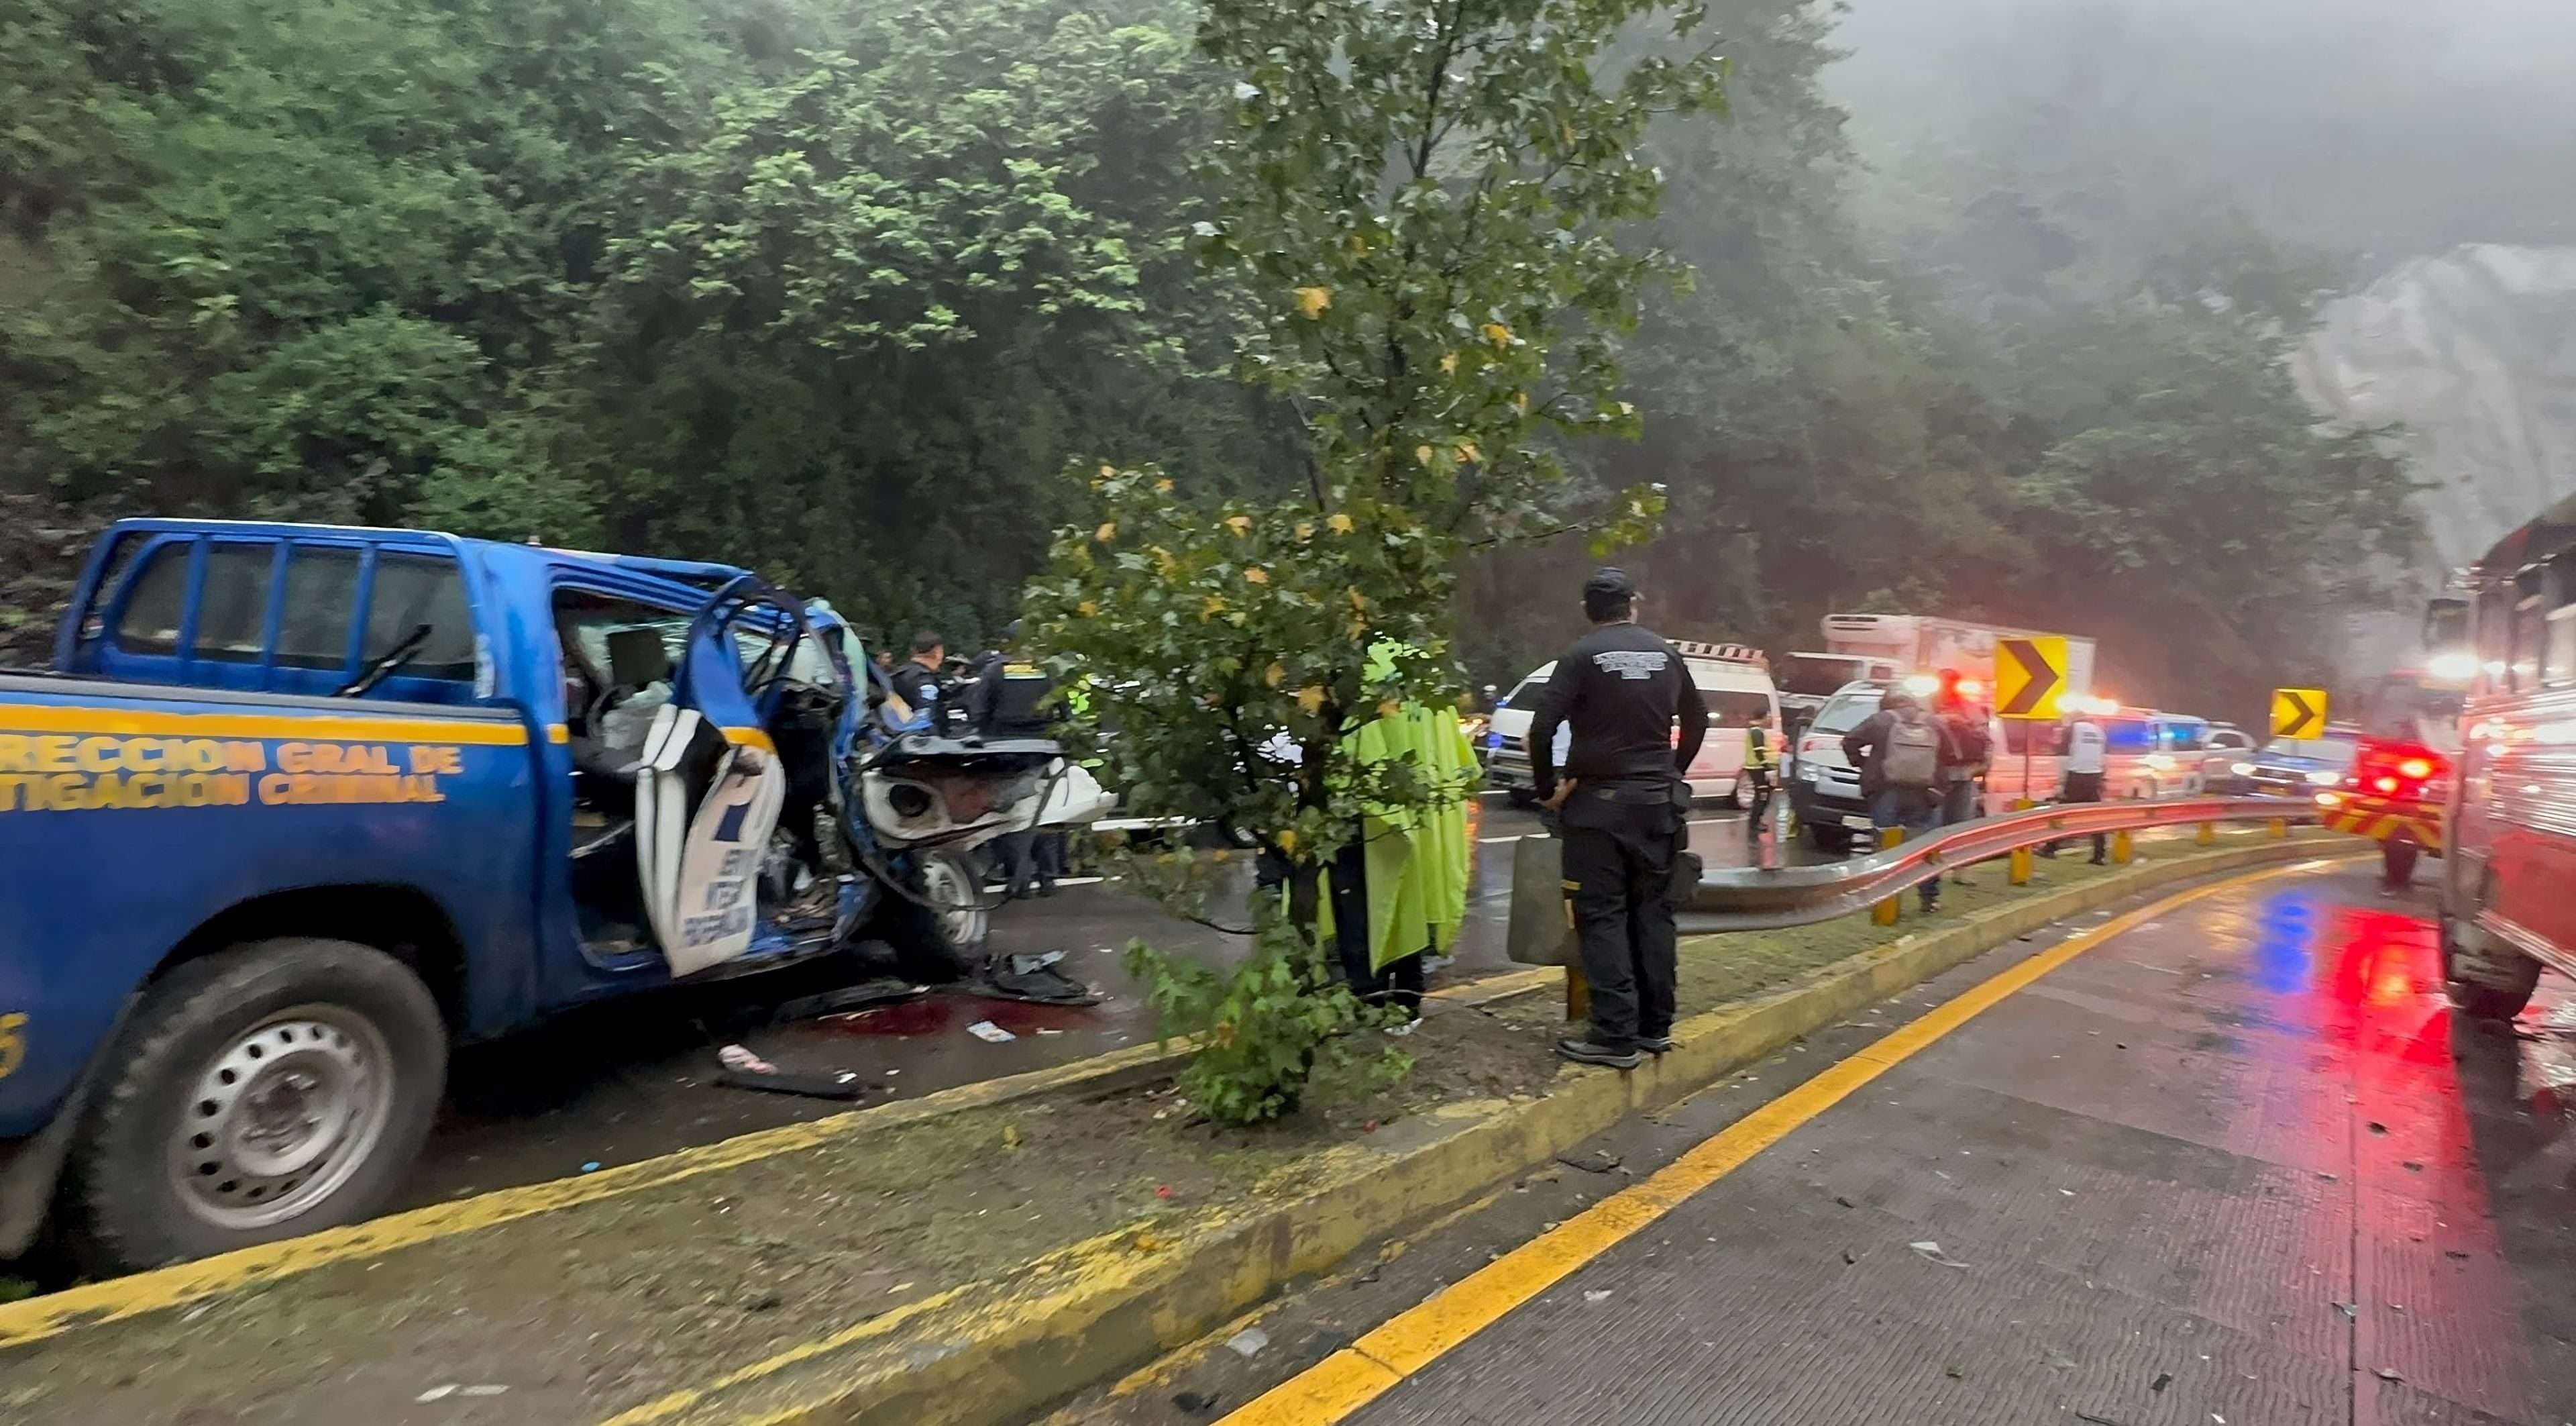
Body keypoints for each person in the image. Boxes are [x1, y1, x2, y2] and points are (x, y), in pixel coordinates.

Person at [1529, 568, 1709, 1070]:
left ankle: (1614, 1035)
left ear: (1589, 609)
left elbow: (1543, 726)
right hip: (1657, 807)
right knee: (1654, 913)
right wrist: (1672, 770)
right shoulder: (1667, 654)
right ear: (1633, 604)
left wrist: (1548, 790)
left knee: (1602, 915)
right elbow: (1698, 717)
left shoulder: (1580, 656)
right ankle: (1655, 1026)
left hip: (1598, 810)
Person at [972, 621, 1063, 899]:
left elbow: (978, 712)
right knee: (1045, 812)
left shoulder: (994, 671)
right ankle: (1048, 878)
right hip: (1043, 750)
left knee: (1010, 813)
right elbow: (1065, 710)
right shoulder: (1048, 670)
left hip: (1005, 751)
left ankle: (1019, 881)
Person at [1840, 689, 1950, 913]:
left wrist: (1864, 765)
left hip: (1886, 791)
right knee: (1926, 846)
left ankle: (1882, 899)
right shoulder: (1934, 722)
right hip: (1925, 793)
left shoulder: (1881, 720)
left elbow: (1849, 742)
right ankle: (1930, 899)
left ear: (1886, 705)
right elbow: (1952, 754)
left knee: (1884, 845)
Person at [1933, 678, 1992, 883]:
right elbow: (1988, 744)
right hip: (1966, 776)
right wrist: (1982, 770)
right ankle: (1961, 871)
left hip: (1938, 778)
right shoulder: (1974, 712)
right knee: (1961, 825)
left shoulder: (1932, 713)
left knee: (1934, 826)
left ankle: (1933, 873)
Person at [2043, 711, 2108, 864]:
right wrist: (2102, 779)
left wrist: (2060, 782)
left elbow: (2064, 758)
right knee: (2096, 818)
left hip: (2075, 777)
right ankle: (2100, 855)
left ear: (2073, 718)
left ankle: (2050, 848)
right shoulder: (2100, 731)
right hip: (2094, 777)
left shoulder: (2072, 730)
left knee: (2061, 814)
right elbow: (2105, 758)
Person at [887, 631, 946, 731]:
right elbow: (925, 718)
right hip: (920, 741)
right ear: (938, 652)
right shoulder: (925, 679)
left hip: (895, 734)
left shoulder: (898, 674)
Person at [1741, 711, 1778, 831]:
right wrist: (1767, 767)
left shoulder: (1756, 731)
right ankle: (1755, 822)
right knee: (1762, 796)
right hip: (1759, 769)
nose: (1769, 719)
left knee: (1763, 795)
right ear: (1762, 717)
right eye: (1768, 716)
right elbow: (1759, 752)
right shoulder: (1757, 732)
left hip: (1758, 768)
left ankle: (1756, 821)